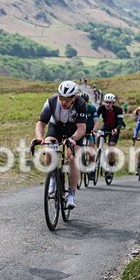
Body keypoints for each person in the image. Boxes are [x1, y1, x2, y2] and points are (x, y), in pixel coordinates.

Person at [31, 80, 87, 210]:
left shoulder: (80, 103)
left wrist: (73, 138)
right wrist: (39, 138)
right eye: (61, 97)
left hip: (74, 130)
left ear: (74, 97)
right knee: (49, 147)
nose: (63, 102)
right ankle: (52, 178)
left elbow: (81, 128)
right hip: (56, 127)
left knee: (73, 157)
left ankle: (71, 194)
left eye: (67, 99)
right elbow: (41, 123)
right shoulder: (51, 101)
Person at [96, 93, 124, 167]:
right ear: (104, 102)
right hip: (106, 127)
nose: (108, 104)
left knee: (111, 145)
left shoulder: (118, 110)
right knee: (98, 136)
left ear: (113, 103)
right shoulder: (101, 108)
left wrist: (116, 129)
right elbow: (95, 119)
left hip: (115, 128)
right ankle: (99, 151)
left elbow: (120, 123)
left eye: (110, 103)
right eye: (106, 102)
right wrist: (93, 129)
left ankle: (111, 165)